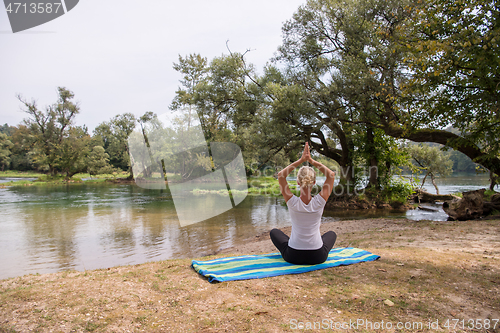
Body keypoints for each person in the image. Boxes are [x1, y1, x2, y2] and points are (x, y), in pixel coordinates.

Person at [270, 142, 337, 265]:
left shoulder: (292, 202)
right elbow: (331, 175)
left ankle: (297, 243)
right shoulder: (320, 201)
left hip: (294, 256)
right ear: (314, 182)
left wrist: (301, 160)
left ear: (298, 182)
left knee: (274, 232)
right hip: (317, 256)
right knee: (332, 234)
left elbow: (281, 176)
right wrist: (311, 160)